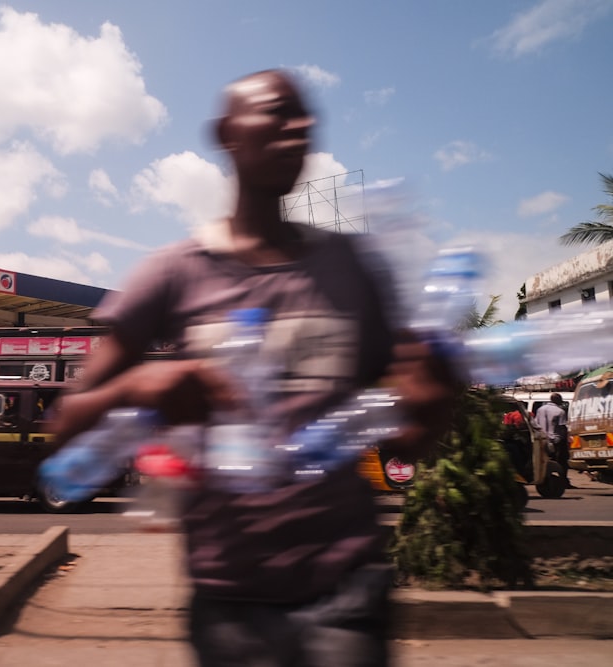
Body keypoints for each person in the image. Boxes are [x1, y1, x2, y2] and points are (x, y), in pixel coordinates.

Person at [51, 70, 456, 667]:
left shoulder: (352, 268)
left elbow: (408, 438)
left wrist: (434, 403)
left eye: (307, 116)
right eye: (278, 112)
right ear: (227, 133)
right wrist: (146, 385)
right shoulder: (175, 273)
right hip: (228, 609)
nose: (302, 127)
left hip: (348, 592)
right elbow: (66, 421)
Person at [535, 393, 571, 488]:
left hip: (542, 439)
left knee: (544, 461)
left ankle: (545, 479)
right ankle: (563, 481)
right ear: (559, 400)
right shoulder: (560, 411)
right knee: (562, 461)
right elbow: (563, 427)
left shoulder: (540, 410)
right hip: (556, 440)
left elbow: (536, 424)